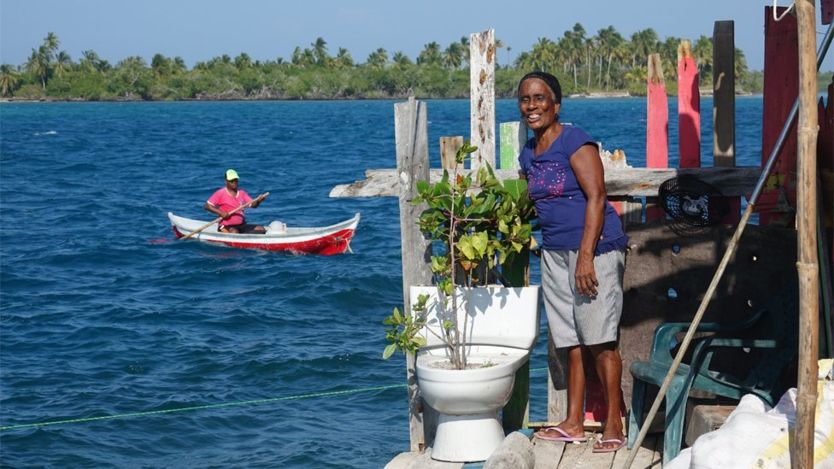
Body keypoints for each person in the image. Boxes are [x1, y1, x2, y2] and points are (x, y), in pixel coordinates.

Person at [517, 71, 629, 453]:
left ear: (556, 104)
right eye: (525, 100)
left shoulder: (575, 141)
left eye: (539, 98)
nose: (531, 106)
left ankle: (615, 423)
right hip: (553, 253)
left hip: (593, 250)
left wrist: (586, 257)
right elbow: (534, 203)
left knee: (600, 337)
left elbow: (597, 197)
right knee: (570, 340)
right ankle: (573, 422)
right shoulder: (528, 153)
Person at [204, 169, 268, 234]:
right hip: (226, 226)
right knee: (234, 232)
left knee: (260, 229)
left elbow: (253, 205)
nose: (234, 182)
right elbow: (207, 206)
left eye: (235, 180)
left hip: (241, 225)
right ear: (226, 181)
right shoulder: (220, 193)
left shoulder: (242, 193)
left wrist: (259, 201)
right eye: (231, 180)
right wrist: (221, 213)